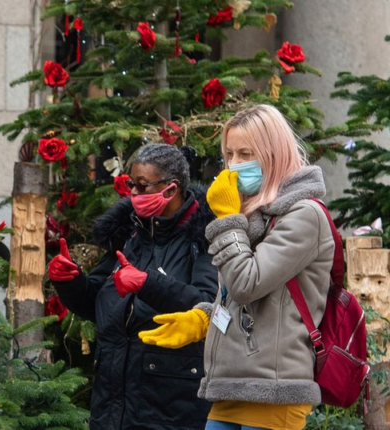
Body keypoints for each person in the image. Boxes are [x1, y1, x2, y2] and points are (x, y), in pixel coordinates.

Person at [139, 104, 334, 430]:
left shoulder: (304, 215)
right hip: (231, 383)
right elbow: (237, 293)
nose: (234, 165)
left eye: (246, 153)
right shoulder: (253, 215)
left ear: (274, 154)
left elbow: (247, 284)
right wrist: (203, 317)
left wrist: (228, 221)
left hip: (275, 387)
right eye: (229, 154)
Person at [49, 143, 218, 430]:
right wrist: (70, 282)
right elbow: (98, 305)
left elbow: (207, 307)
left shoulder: (204, 237)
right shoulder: (129, 233)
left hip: (171, 408)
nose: (134, 195)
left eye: (142, 186)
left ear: (171, 188)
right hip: (112, 405)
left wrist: (148, 283)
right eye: (131, 185)